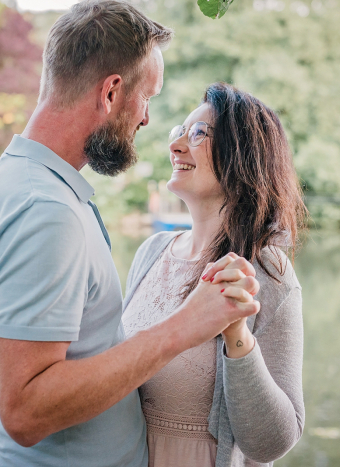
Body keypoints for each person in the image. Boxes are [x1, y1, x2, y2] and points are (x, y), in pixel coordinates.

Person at [0, 2, 261, 466]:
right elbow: (24, 410)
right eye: (148, 99)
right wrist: (182, 327)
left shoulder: (4, 185)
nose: (146, 120)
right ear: (111, 93)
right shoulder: (46, 211)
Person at [122, 82, 308, 467]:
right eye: (179, 133)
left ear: (243, 155)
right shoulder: (151, 253)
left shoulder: (269, 274)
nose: (175, 146)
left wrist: (237, 336)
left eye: (198, 134)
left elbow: (272, 443)